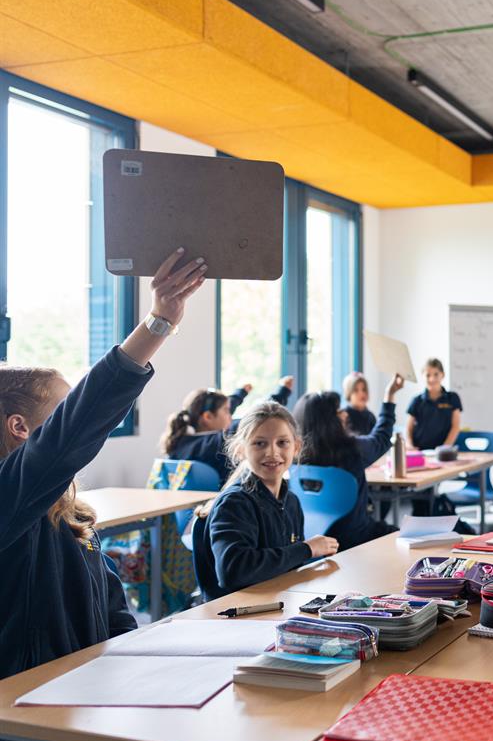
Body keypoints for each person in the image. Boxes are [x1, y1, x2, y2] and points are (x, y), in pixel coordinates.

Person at [0, 248, 206, 677]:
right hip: (26, 700)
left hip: (85, 690)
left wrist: (131, 664)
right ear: (19, 426)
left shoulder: (72, 514)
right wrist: (158, 322)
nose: (73, 418)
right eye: (62, 409)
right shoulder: (7, 498)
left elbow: (113, 610)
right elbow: (74, 429)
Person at [204, 402, 338, 598]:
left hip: (278, 601)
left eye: (282, 442)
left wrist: (307, 553)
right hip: (236, 610)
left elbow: (288, 567)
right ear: (241, 450)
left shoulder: (291, 502)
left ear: (296, 447)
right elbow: (233, 571)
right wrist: (307, 549)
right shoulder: (235, 503)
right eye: (260, 443)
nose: (272, 452)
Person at [293, 374, 404, 550]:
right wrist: (389, 396)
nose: (344, 413)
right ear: (330, 421)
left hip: (313, 541)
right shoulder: (352, 450)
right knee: (405, 538)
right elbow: (382, 438)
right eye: (339, 411)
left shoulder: (294, 460)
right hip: (357, 538)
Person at [160, 377, 293, 481]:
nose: (230, 415)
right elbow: (258, 417)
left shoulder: (177, 441)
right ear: (208, 417)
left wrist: (240, 393)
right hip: (219, 503)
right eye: (226, 411)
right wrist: (281, 392)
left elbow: (223, 410)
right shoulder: (221, 440)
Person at [406, 358, 461, 451]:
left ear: (442, 375)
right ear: (423, 376)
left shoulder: (452, 398)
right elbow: (409, 428)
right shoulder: (416, 401)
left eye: (436, 374)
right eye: (428, 375)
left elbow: (455, 426)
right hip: (419, 450)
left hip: (444, 451)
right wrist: (410, 445)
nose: (432, 379)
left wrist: (445, 447)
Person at [340, 371, 376, 436]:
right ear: (349, 394)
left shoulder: (371, 417)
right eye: (356, 390)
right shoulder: (344, 415)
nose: (361, 393)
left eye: (364, 389)